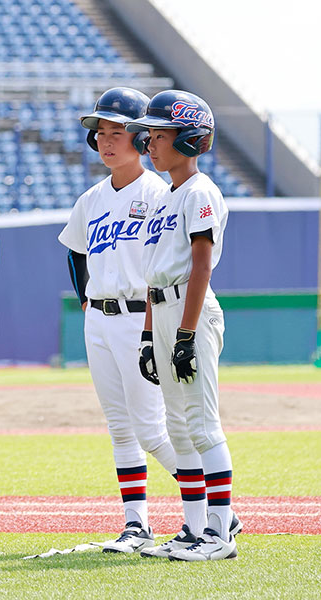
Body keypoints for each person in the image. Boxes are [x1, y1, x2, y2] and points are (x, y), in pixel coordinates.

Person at [58, 87, 178, 553]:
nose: (106, 141)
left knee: (151, 429)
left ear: (143, 138)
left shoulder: (161, 194)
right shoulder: (91, 199)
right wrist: (86, 303)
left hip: (140, 319)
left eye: (118, 132)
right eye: (101, 133)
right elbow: (75, 253)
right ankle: (136, 524)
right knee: (122, 429)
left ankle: (219, 511)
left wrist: (153, 325)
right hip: (101, 320)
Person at [127, 90, 238, 561]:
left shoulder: (199, 191)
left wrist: (187, 334)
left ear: (189, 139)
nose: (150, 143)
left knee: (202, 423)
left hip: (192, 311)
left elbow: (200, 267)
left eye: (160, 134)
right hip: (165, 308)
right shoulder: (166, 195)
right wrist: (151, 335)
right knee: (177, 426)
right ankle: (194, 529)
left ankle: (220, 533)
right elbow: (155, 277)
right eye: (149, 135)